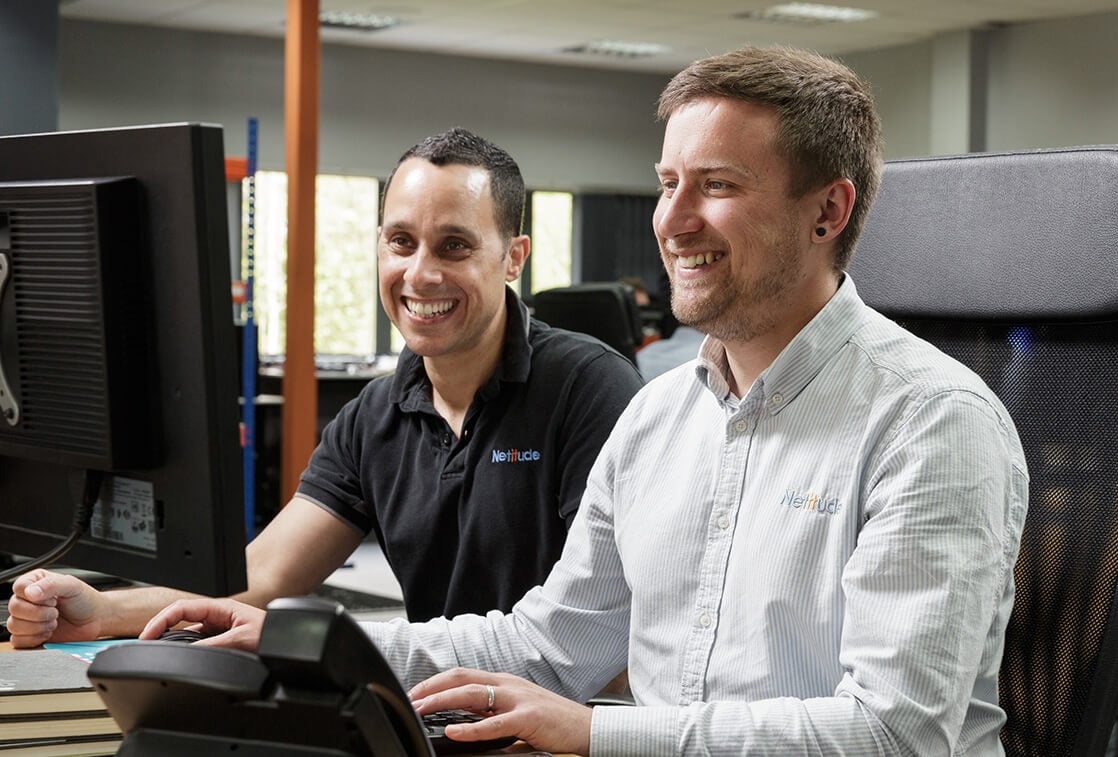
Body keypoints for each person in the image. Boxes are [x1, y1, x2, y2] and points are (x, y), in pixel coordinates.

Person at [142, 47, 1028, 756]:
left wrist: (596, 734)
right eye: (667, 182)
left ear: (827, 210)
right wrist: (292, 635)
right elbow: (549, 643)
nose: (672, 219)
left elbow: (893, 733)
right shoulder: (659, 419)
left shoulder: (929, 422)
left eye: (716, 186)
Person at [5, 127, 643, 647]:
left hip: (563, 720)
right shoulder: (377, 416)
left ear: (513, 258)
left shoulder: (588, 389)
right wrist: (101, 610)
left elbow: (597, 626)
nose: (420, 274)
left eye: (454, 247)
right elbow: (263, 576)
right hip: (439, 708)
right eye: (401, 242)